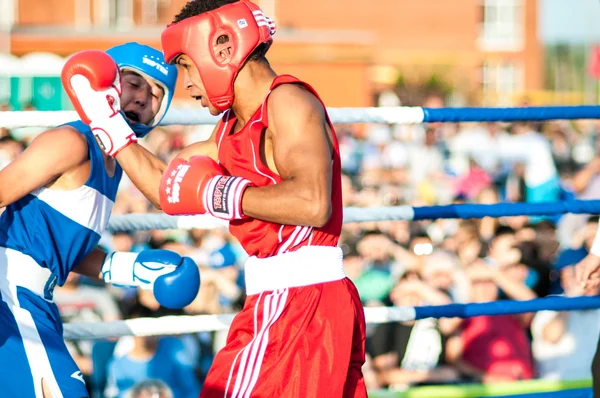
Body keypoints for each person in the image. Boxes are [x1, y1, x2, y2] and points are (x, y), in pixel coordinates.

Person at [61, 1, 367, 396]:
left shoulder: (287, 101)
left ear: (221, 47)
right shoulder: (227, 132)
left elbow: (313, 202)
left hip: (299, 303)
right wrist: (107, 123)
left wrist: (219, 192)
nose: (185, 84)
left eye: (186, 65)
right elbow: (166, 188)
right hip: (287, 301)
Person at [0, 42, 200, 398]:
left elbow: (56, 248)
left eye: (156, 94)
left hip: (35, 299)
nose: (143, 98)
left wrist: (131, 269)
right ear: (106, 81)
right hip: (10, 297)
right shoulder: (71, 141)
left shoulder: (114, 164)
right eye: (135, 83)